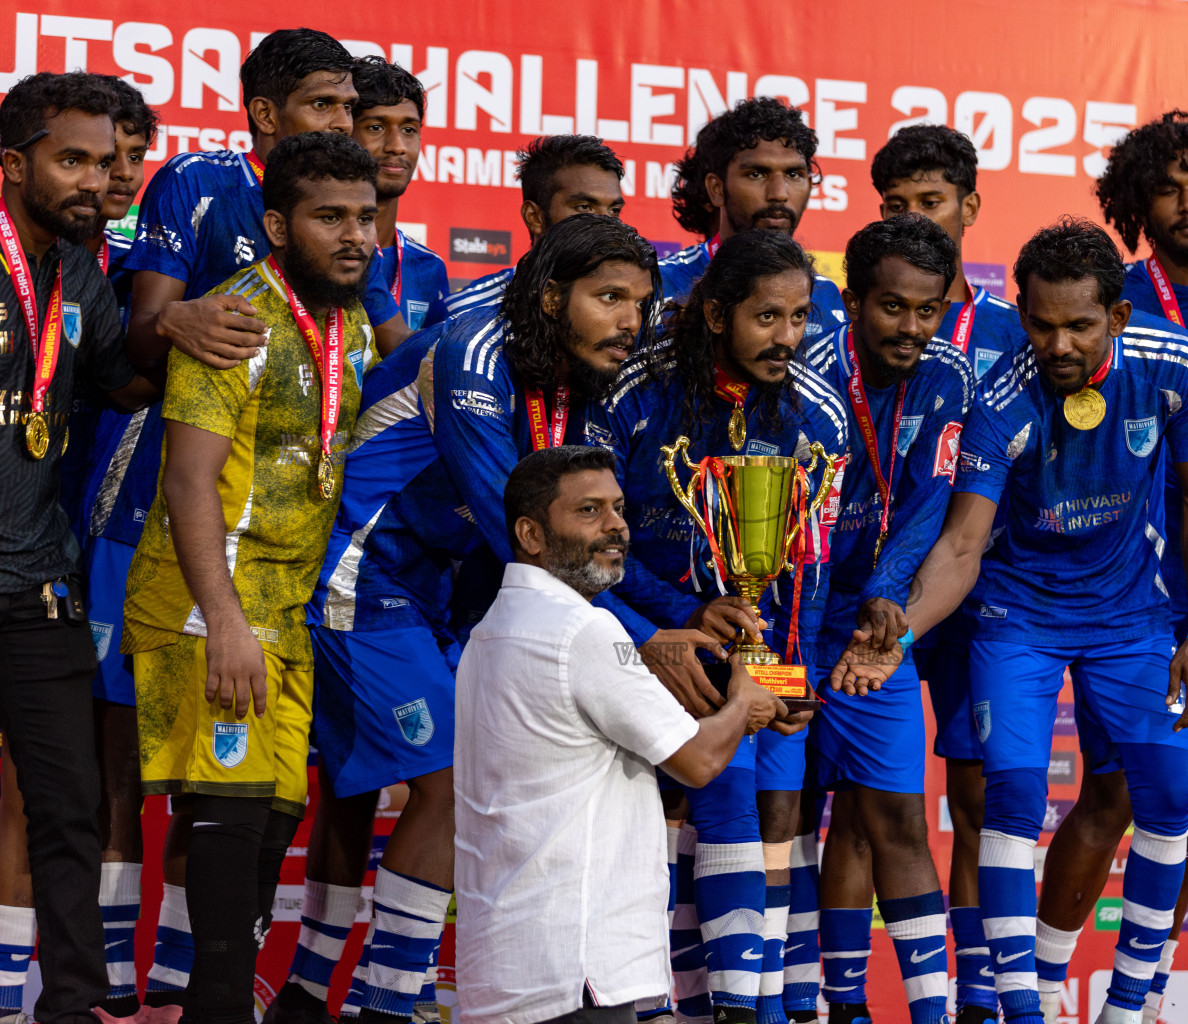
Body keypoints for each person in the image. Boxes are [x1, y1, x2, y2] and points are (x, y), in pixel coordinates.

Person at [276, 213, 682, 1024]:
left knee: (474, 783)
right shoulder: (473, 352)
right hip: (369, 578)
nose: (629, 323)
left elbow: (590, 541)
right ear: (550, 295)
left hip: (450, 596)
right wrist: (653, 641)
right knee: (447, 783)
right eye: (608, 298)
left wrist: (689, 611)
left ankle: (314, 993)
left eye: (639, 304)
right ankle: (384, 1004)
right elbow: (522, 535)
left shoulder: (585, 379)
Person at [833, 217, 1188, 1024]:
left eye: (1080, 325)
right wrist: (901, 634)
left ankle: (1126, 1009)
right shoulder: (996, 393)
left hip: (1133, 619)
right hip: (1018, 616)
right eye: (1041, 324)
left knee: (1167, 799)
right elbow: (963, 543)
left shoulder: (1173, 364)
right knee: (1011, 798)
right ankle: (1022, 1010)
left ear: (1117, 318)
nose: (1057, 344)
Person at [116, 30, 410, 1008]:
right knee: (232, 823)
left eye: (364, 218)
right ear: (279, 228)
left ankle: (219, 996)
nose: (354, 237)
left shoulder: (355, 320)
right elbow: (189, 486)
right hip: (213, 606)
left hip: (287, 616)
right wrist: (228, 620)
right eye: (329, 219)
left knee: (272, 821)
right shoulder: (235, 316)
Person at [1032, 110, 1188, 1024]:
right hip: (1124, 595)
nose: (1187, 203)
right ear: (1136, 199)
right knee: (1115, 791)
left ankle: (1141, 1003)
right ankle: (1043, 986)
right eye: (1166, 186)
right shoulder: (1099, 301)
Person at [589, 229, 844, 1024]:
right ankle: (651, 1001)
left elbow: (810, 563)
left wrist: (785, 672)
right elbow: (589, 539)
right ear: (714, 314)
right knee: (644, 813)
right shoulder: (631, 393)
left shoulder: (815, 412)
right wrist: (671, 623)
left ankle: (732, 1009)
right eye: (768, 318)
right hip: (628, 631)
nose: (788, 339)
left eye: (800, 318)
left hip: (737, 644)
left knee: (737, 791)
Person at [454, 445, 786, 1024]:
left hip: (505, 974)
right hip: (576, 974)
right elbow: (702, 761)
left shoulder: (488, 633)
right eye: (588, 511)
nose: (615, 528)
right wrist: (743, 700)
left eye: (618, 508)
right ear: (530, 534)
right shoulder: (582, 629)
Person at [263, 54, 450, 1024]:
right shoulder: (301, 254)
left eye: (407, 129)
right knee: (298, 794)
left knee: (362, 786)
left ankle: (312, 988)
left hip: (406, 562)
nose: (391, 146)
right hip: (311, 551)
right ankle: (224, 980)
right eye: (370, 124)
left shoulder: (431, 272)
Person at [0, 69, 161, 1024]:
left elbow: (118, 383)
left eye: (105, 162)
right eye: (72, 160)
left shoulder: (82, 270)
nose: (95, 180)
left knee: (72, 814)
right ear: (14, 164)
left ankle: (70, 1009)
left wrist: (179, 329)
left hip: (38, 593)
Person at [865, 123, 1027, 1024]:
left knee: (974, 796)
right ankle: (841, 995)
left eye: (931, 203)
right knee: (865, 799)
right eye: (896, 207)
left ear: (970, 207)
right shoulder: (860, 324)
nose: (916, 218)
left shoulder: (1012, 329)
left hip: (976, 593)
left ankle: (974, 998)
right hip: (862, 592)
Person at [801, 216, 972, 1024]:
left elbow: (929, 504)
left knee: (895, 815)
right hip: (789, 618)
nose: (911, 328)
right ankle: (812, 1006)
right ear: (851, 299)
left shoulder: (949, 377)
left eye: (928, 310)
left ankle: (927, 1014)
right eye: (892, 307)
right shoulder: (804, 370)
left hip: (875, 622)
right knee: (790, 814)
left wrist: (888, 597)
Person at [662, 97, 844, 335]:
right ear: (717, 189)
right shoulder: (660, 282)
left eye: (793, 174)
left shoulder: (826, 295)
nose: (779, 194)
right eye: (757, 174)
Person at [443, 135, 626, 317]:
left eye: (614, 210)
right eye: (585, 207)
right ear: (534, 217)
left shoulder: (649, 293)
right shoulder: (465, 313)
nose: (608, 225)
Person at [351, 56, 449, 331]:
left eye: (409, 130)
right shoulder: (317, 252)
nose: (397, 146)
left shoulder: (428, 267)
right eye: (376, 127)